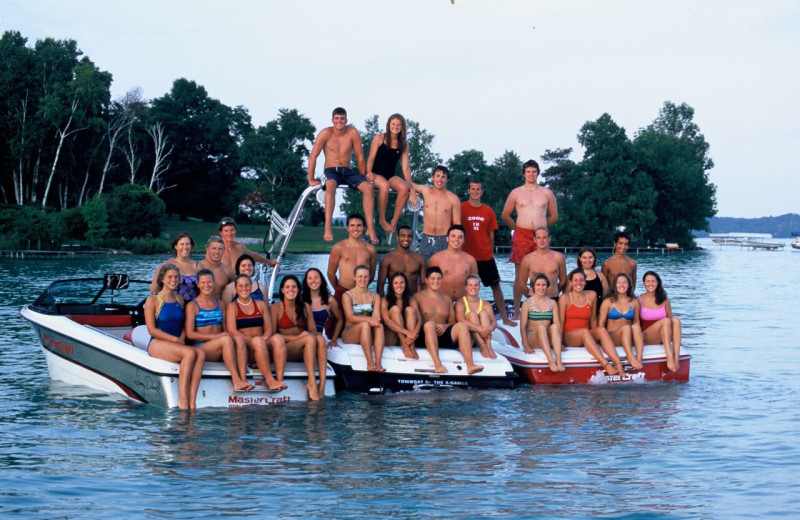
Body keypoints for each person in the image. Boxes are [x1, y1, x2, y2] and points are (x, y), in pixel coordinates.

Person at [307, 107, 378, 243]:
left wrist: (362, 177)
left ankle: (370, 228)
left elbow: (360, 157)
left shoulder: (352, 133)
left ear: (346, 120)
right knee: (331, 184)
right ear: (332, 120)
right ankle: (328, 228)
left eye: (342, 118)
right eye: (337, 118)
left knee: (368, 188)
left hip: (347, 171)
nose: (339, 121)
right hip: (331, 170)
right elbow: (313, 156)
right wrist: (310, 178)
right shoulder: (325, 133)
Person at [501, 159, 558, 318]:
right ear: (524, 174)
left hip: (540, 235)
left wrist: (543, 229)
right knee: (520, 274)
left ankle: (541, 306)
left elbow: (554, 216)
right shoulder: (516, 192)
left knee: (541, 270)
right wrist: (517, 229)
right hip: (522, 234)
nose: (531, 174)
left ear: (538, 173)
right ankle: (517, 310)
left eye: (534, 171)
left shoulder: (546, 193)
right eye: (528, 172)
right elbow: (505, 215)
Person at [145, 263, 204, 410]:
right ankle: (183, 400)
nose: (174, 280)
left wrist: (182, 337)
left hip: (177, 342)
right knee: (190, 353)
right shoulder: (152, 301)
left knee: (201, 353)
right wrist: (175, 340)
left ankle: (192, 400)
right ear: (162, 279)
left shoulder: (180, 299)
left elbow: (183, 324)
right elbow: (151, 330)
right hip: (157, 343)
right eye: (170, 277)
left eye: (176, 277)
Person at [185, 269, 253, 391]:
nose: (207, 285)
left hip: (221, 345)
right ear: (198, 284)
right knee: (226, 340)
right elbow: (190, 334)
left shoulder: (220, 304)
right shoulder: (192, 306)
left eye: (209, 282)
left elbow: (225, 329)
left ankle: (244, 379)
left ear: (214, 283)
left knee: (237, 338)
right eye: (203, 282)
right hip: (203, 348)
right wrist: (215, 337)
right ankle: (236, 380)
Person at [461, 180, 515, 326]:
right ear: (468, 191)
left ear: (482, 192)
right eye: (473, 189)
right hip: (466, 257)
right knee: (463, 288)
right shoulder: (461, 208)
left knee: (496, 286)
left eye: (478, 189)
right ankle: (462, 317)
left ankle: (504, 317)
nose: (475, 191)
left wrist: (489, 251)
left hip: (485, 256)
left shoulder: (488, 211)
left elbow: (491, 234)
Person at [411, 267, 484, 375]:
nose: (436, 281)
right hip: (425, 335)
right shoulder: (417, 297)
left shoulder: (447, 298)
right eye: (433, 278)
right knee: (430, 325)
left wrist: (445, 326)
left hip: (443, 335)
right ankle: (437, 364)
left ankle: (470, 365)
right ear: (426, 280)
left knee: (462, 326)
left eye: (439, 278)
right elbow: (414, 321)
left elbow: (453, 321)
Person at [225, 274, 286, 392]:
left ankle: (279, 379)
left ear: (251, 286)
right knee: (257, 341)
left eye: (246, 285)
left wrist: (263, 339)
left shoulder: (261, 304)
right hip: (246, 347)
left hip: (262, 344)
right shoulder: (232, 307)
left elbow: (269, 329)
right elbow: (232, 331)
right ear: (236, 289)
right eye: (240, 286)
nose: (244, 288)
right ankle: (270, 380)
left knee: (278, 338)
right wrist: (254, 341)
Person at [558, 269, 623, 376]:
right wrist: (560, 342)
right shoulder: (564, 298)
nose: (578, 283)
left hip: (585, 334)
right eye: (575, 280)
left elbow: (593, 319)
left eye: (581, 280)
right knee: (584, 332)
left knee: (601, 330)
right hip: (569, 336)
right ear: (571, 283)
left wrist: (597, 337)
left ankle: (618, 363)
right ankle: (606, 365)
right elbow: (560, 322)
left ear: (585, 282)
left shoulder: (592, 295)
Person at [269, 276, 321, 400]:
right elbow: (272, 336)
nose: (291, 290)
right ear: (282, 290)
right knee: (309, 339)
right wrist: (298, 337)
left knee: (320, 339)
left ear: (298, 289)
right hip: (283, 349)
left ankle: (322, 383)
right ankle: (312, 382)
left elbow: (313, 330)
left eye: (294, 286)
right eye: (287, 287)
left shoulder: (305, 307)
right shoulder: (275, 308)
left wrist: (308, 336)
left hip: (300, 350)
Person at [365, 113, 414, 234]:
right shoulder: (379, 138)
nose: (396, 127)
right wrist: (368, 172)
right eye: (393, 124)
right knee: (385, 186)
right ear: (388, 125)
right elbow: (371, 158)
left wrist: (412, 188)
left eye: (399, 125)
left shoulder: (404, 144)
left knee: (404, 188)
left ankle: (394, 221)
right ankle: (382, 219)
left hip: (390, 176)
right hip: (376, 174)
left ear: (402, 127)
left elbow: (406, 168)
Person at [327, 214, 378, 329]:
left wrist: (361, 289)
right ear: (348, 228)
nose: (356, 229)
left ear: (364, 227)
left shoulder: (370, 249)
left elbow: (372, 274)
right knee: (335, 329)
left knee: (362, 326)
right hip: (342, 290)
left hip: (362, 294)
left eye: (359, 225)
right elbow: (330, 273)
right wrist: (339, 290)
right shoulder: (339, 247)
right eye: (352, 225)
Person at [409, 165, 461, 262]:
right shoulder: (425, 191)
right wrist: (412, 191)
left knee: (443, 270)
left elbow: (457, 224)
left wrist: (455, 242)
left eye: (443, 177)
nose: (440, 179)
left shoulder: (453, 198)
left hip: (444, 239)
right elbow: (408, 183)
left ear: (447, 180)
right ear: (432, 177)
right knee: (423, 269)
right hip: (426, 238)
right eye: (437, 176)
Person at [341, 265, 385, 372]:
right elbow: (350, 318)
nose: (363, 279)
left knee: (379, 326)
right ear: (354, 277)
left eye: (366, 277)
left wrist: (375, 320)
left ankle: (378, 363)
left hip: (368, 332)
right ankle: (370, 362)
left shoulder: (375, 296)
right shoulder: (347, 295)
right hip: (350, 332)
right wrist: (370, 320)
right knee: (365, 325)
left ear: (369, 278)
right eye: (360, 276)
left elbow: (377, 316)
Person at [514, 226, 567, 318]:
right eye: (538, 238)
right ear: (534, 239)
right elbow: (521, 284)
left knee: (554, 329)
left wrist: (554, 292)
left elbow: (563, 281)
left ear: (549, 239)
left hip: (553, 298)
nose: (541, 240)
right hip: (533, 300)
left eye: (544, 237)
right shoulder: (527, 259)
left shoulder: (558, 257)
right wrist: (532, 297)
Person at [598, 273, 645, 370]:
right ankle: (630, 357)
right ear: (615, 285)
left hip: (628, 337)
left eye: (624, 283)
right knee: (626, 327)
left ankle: (639, 359)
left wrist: (638, 337)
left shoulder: (634, 302)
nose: (622, 285)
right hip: (612, 337)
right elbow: (601, 325)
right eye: (619, 283)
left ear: (629, 285)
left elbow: (636, 322)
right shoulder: (608, 302)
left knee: (635, 327)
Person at [519, 273, 564, 372]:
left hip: (546, 338)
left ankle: (559, 361)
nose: (541, 288)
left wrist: (560, 342)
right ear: (533, 286)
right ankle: (551, 360)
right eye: (538, 285)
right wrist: (526, 345)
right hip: (533, 338)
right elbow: (522, 327)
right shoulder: (527, 303)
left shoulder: (552, 303)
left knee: (554, 327)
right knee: (541, 327)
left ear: (547, 286)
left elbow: (557, 323)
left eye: (543, 285)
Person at [639, 271, 681, 371]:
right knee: (666, 321)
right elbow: (635, 322)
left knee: (675, 320)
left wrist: (677, 340)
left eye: (653, 281)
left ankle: (676, 358)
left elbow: (671, 320)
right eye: (648, 281)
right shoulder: (638, 300)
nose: (650, 284)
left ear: (658, 283)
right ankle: (669, 357)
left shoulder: (664, 299)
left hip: (663, 335)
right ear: (644, 283)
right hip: (647, 336)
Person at [427, 225, 478, 301]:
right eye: (453, 236)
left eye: (460, 237)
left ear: (464, 240)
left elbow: (475, 284)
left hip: (463, 302)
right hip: (441, 301)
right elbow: (427, 283)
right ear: (447, 239)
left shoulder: (471, 260)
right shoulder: (436, 259)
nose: (456, 239)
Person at [455, 275, 497, 359]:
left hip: (483, 335)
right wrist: (479, 329)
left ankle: (489, 346)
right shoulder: (461, 302)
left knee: (484, 314)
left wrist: (489, 328)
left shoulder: (486, 304)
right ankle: (482, 346)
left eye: (476, 285)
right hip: (469, 338)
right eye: (470, 285)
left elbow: (494, 322)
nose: (473, 287)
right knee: (473, 314)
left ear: (479, 287)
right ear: (466, 287)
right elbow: (461, 320)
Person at [376, 225, 426, 296]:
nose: (406, 238)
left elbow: (424, 285)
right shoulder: (387, 259)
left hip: (412, 299)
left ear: (412, 238)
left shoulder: (419, 259)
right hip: (393, 300)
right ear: (397, 237)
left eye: (409, 236)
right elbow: (380, 285)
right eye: (403, 235)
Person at [380, 272, 421, 359]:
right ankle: (405, 345)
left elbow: (419, 320)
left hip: (409, 336)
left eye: (401, 282)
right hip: (392, 335)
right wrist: (407, 332)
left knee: (410, 310)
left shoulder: (411, 299)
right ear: (391, 285)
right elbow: (387, 321)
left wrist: (414, 334)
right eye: (396, 283)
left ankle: (411, 346)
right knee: (395, 309)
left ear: (405, 284)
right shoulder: (385, 300)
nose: (399, 285)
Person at [150, 232, 198, 302]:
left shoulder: (198, 266)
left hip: (193, 309)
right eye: (182, 244)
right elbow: (153, 290)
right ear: (176, 246)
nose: (185, 247)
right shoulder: (166, 265)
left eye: (187, 244)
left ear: (191, 246)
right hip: (173, 307)